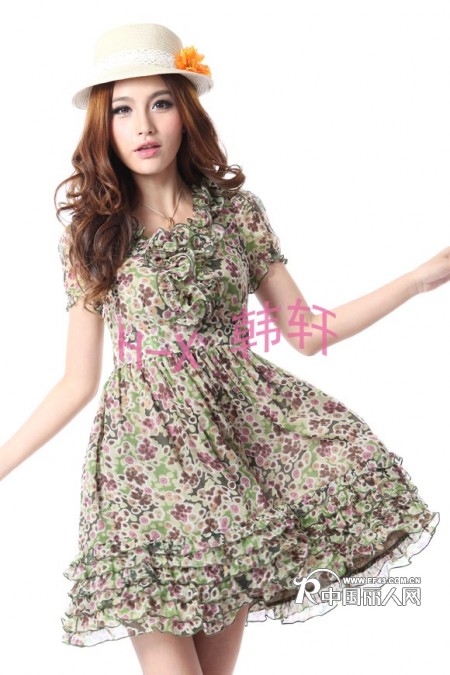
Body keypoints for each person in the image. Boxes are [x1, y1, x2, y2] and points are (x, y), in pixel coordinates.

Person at [0, 21, 449, 675]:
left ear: (185, 112)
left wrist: (417, 280)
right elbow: (77, 381)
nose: (143, 125)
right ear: (103, 125)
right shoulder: (95, 234)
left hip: (233, 463)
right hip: (143, 476)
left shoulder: (236, 214)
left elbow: (305, 331)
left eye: (160, 103)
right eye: (122, 109)